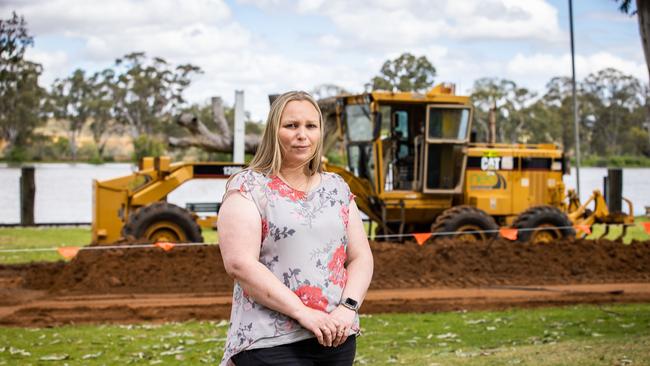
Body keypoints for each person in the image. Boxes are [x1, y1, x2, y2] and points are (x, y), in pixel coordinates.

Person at [217, 90, 374, 365]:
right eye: (291, 125)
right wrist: (303, 313)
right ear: (273, 132)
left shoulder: (337, 188)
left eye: (311, 126)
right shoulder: (248, 187)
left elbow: (361, 256)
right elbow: (240, 264)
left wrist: (347, 310)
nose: (302, 134)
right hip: (270, 341)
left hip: (336, 336)